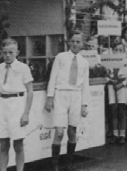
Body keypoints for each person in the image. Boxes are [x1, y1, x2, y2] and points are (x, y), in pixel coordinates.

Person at [45, 30, 89, 170]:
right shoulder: (61, 57)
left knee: (72, 132)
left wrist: (84, 104)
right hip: (61, 95)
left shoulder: (84, 62)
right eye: (73, 41)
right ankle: (55, 166)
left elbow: (85, 85)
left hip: (76, 96)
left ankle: (69, 164)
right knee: (59, 132)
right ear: (69, 42)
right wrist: (50, 97)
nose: (75, 44)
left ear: (82, 44)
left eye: (78, 42)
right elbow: (53, 77)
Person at [0, 38, 34, 171]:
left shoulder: (23, 68)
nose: (8, 55)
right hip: (1, 106)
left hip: (17, 106)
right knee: (3, 144)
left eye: (11, 52)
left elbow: (30, 91)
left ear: (17, 52)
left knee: (18, 145)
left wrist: (26, 113)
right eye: (5, 53)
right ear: (1, 53)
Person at [107, 41, 127, 145]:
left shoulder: (126, 62)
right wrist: (110, 80)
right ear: (112, 51)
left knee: (122, 111)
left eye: (121, 50)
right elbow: (105, 74)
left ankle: (122, 135)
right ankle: (115, 134)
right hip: (112, 86)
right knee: (113, 111)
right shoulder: (109, 62)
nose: (118, 52)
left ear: (124, 51)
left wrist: (122, 84)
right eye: (116, 50)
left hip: (122, 88)